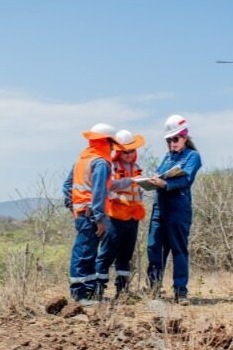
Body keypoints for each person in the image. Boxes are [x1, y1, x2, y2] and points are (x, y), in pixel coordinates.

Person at [146, 115, 202, 306]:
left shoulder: (193, 156)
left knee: (178, 250)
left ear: (185, 136)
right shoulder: (168, 157)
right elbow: (161, 174)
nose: (172, 143)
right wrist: (154, 180)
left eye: (175, 139)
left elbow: (186, 180)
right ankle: (153, 287)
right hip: (159, 209)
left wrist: (165, 183)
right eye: (169, 140)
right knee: (154, 248)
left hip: (178, 210)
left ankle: (180, 291)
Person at [63, 123, 121, 305]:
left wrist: (74, 207)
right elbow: (98, 194)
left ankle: (87, 293)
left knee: (87, 252)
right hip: (91, 216)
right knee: (84, 254)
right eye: (112, 144)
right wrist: (99, 219)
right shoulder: (101, 163)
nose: (113, 148)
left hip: (82, 214)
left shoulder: (82, 160)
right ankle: (79, 294)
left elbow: (67, 187)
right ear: (106, 142)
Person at [95, 130, 146, 300]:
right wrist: (126, 186)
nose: (129, 154)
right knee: (107, 254)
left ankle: (122, 290)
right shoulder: (113, 166)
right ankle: (98, 289)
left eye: (131, 151)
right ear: (119, 151)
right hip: (115, 217)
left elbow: (139, 191)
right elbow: (108, 187)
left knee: (126, 255)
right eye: (125, 151)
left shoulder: (138, 169)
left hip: (133, 218)